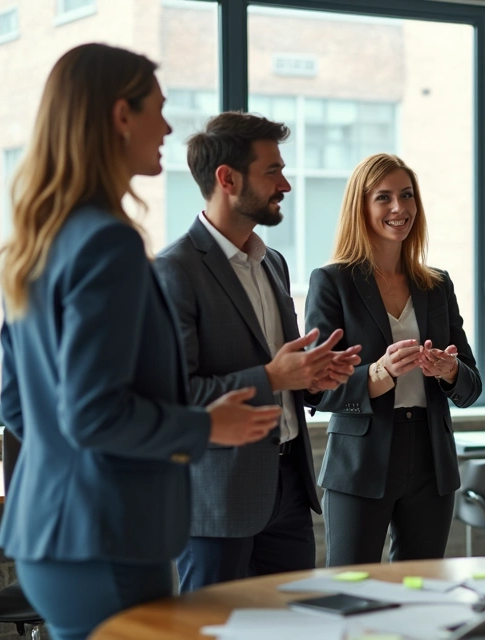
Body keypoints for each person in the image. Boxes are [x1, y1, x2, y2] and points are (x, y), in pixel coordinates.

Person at [0, 44, 280, 640]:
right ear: (121, 116)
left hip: (48, 537)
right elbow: (94, 414)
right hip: (108, 537)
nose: (169, 127)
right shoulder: (108, 243)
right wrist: (206, 427)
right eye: (159, 108)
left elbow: (20, 410)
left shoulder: (38, 238)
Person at [155, 112, 361, 591]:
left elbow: (286, 376)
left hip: (289, 486)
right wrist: (272, 377)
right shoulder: (174, 271)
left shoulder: (274, 263)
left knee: (292, 625)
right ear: (227, 179)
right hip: (217, 500)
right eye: (272, 171)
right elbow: (176, 395)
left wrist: (314, 375)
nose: (285, 184)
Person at [305, 153, 481, 566]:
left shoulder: (437, 285)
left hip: (430, 458)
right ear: (361, 207)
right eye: (384, 198)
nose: (399, 208)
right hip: (361, 460)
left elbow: (472, 387)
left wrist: (450, 370)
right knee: (353, 586)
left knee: (422, 590)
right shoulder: (332, 282)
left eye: (407, 195)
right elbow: (315, 389)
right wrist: (378, 374)